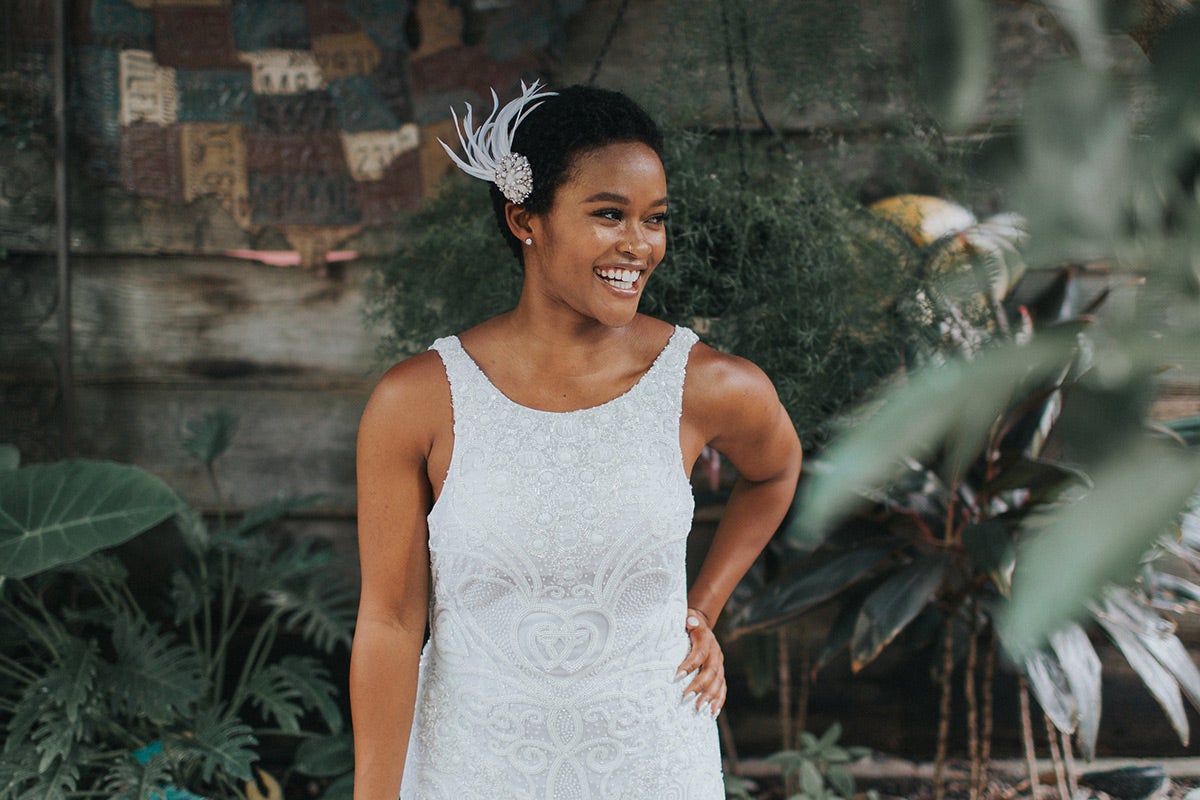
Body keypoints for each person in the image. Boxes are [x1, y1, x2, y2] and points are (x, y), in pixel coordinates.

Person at [351, 81, 802, 800]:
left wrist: (701, 609)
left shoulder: (706, 385)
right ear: (525, 219)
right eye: (608, 214)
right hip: (473, 766)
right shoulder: (419, 401)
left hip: (653, 763)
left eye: (655, 219)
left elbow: (776, 472)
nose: (639, 244)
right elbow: (390, 621)